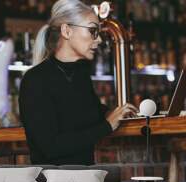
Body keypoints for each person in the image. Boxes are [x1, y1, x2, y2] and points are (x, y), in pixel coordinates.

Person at [19, 0, 138, 165]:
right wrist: (107, 125)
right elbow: (51, 147)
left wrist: (126, 113)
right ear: (67, 31)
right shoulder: (35, 80)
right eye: (92, 31)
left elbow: (94, 114)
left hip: (85, 181)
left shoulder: (80, 74)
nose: (99, 40)